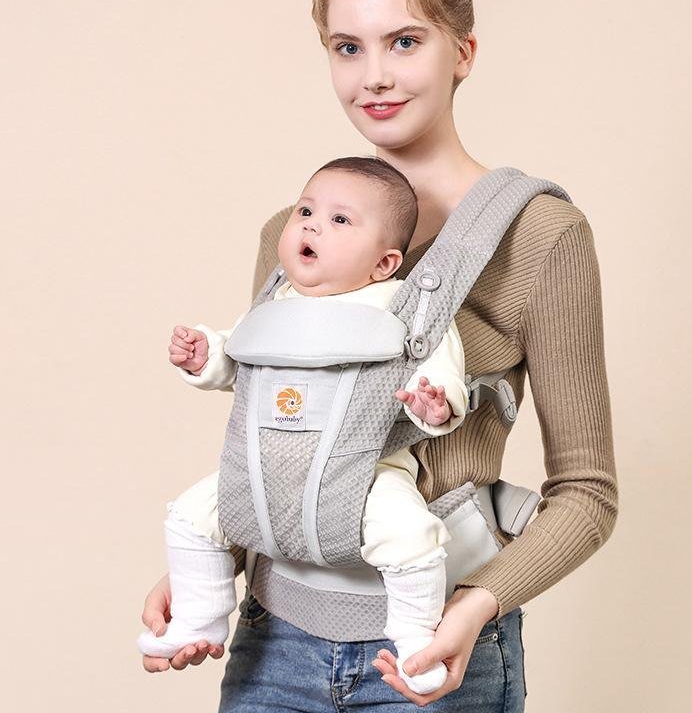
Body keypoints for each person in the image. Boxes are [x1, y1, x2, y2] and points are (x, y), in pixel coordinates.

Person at [141, 0, 618, 711]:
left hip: (432, 642)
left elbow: (588, 493)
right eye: (347, 47)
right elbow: (281, 444)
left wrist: (474, 609)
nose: (375, 77)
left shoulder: (541, 237)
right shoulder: (291, 235)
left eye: (404, 41)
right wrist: (207, 568)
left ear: (462, 52)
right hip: (273, 641)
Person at [137, 156, 471, 694]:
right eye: (306, 211)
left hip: (362, 472)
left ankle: (416, 639)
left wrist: (436, 403)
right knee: (190, 518)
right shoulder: (275, 303)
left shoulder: (405, 307)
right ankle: (198, 617)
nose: (312, 226)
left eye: (339, 220)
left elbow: (441, 374)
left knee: (410, 535)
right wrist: (206, 356)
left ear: (384, 263)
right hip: (264, 473)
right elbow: (239, 359)